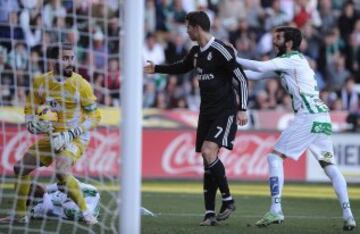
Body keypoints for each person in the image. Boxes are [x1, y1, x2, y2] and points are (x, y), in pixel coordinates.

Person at [236, 26, 356, 231]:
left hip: (308, 117)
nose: (274, 42)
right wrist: (227, 68)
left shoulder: (292, 59)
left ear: (289, 43)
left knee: (274, 158)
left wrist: (232, 57)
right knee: (330, 166)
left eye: (278, 38)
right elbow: (254, 74)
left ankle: (276, 209)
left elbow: (260, 66)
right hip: (322, 118)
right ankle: (349, 215)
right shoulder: (292, 63)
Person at [144, 11, 249, 226]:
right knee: (207, 160)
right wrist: (157, 69)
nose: (186, 30)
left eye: (188, 27)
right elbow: (181, 67)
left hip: (225, 110)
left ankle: (228, 200)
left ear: (197, 27)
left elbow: (241, 77)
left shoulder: (220, 49)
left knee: (209, 151)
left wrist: (243, 108)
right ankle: (209, 214)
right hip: (206, 112)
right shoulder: (195, 52)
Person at [0, 43, 101, 225]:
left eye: (71, 58)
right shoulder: (40, 83)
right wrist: (31, 123)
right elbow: (31, 107)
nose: (70, 62)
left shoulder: (81, 85)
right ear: (53, 61)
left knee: (61, 172)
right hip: (53, 136)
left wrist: (71, 134)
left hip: (75, 138)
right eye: (65, 58)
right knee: (20, 169)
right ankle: (21, 215)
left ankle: (86, 213)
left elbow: (95, 116)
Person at [28, 181, 100, 221]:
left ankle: (88, 214)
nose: (36, 186)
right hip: (78, 208)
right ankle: (88, 215)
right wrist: (44, 194)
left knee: (66, 182)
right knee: (72, 212)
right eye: (32, 188)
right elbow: (48, 209)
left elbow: (62, 183)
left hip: (90, 195)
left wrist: (46, 189)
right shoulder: (37, 207)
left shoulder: (91, 191)